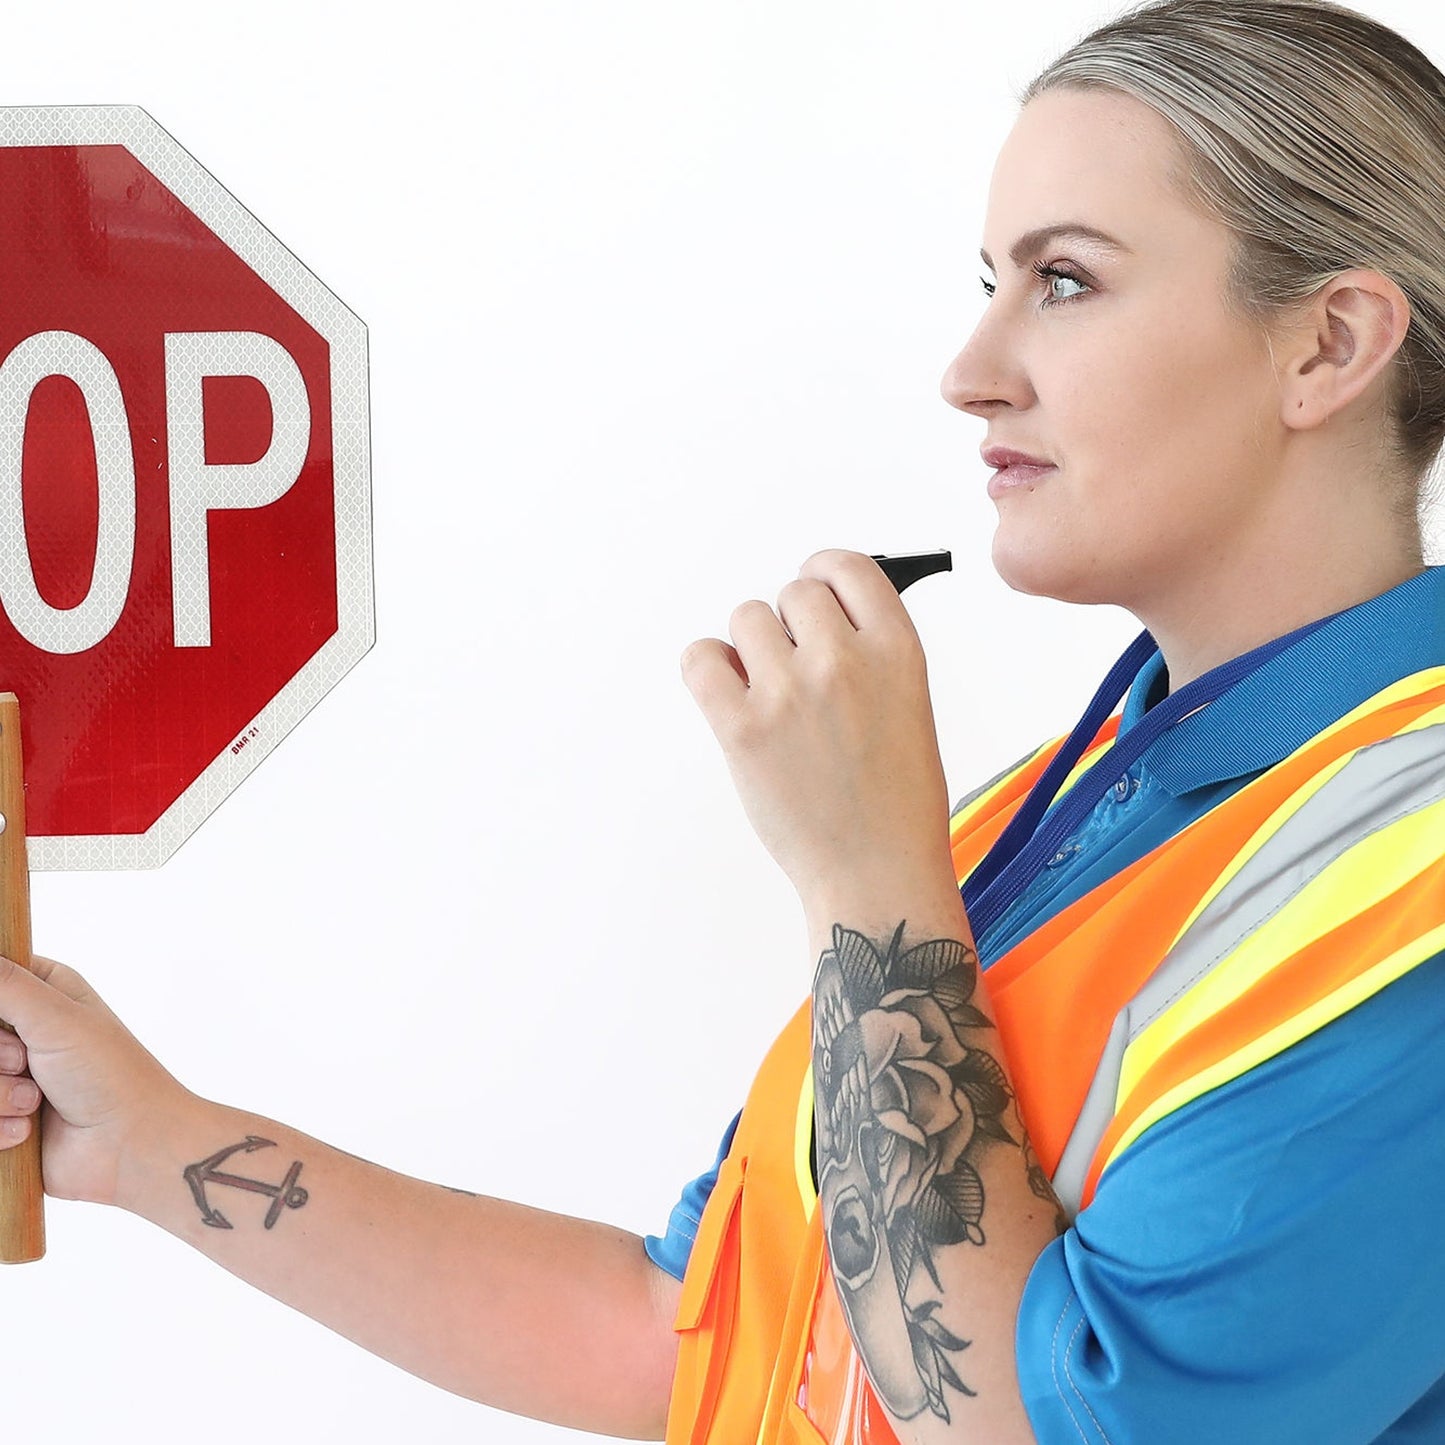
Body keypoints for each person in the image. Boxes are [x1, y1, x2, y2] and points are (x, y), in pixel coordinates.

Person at [4, 0, 1445, 1439]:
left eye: (1063, 280)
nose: (970, 367)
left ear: (1326, 345)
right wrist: (147, 1140)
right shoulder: (1056, 817)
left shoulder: (1411, 888)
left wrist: (863, 878)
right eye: (990, 278)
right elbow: (678, 1329)